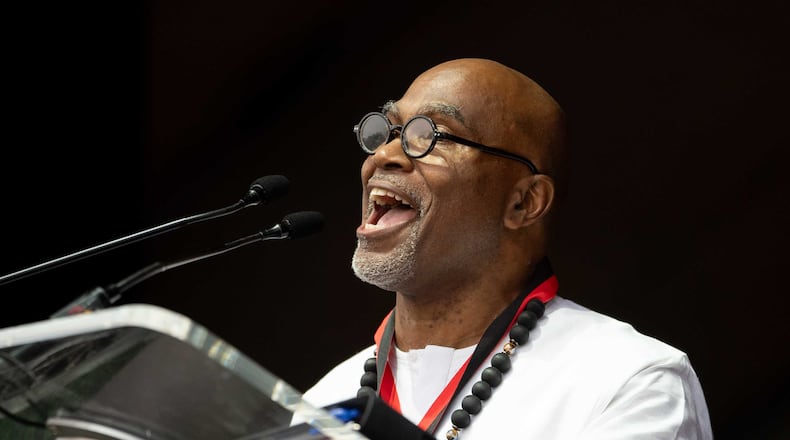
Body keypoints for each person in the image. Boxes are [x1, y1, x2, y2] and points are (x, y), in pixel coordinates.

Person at [302, 58, 712, 439]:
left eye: (430, 135)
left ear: (524, 203)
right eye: (388, 131)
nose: (386, 155)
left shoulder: (628, 379)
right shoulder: (322, 403)